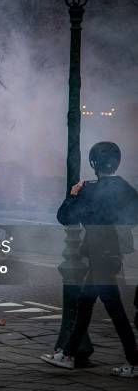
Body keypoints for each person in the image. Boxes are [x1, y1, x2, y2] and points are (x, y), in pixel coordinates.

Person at [41, 142, 138, 378]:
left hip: (99, 256)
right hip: (110, 255)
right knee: (85, 304)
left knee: (115, 311)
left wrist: (73, 195)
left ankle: (134, 362)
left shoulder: (89, 190)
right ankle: (68, 355)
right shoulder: (126, 189)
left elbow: (65, 217)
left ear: (94, 164)